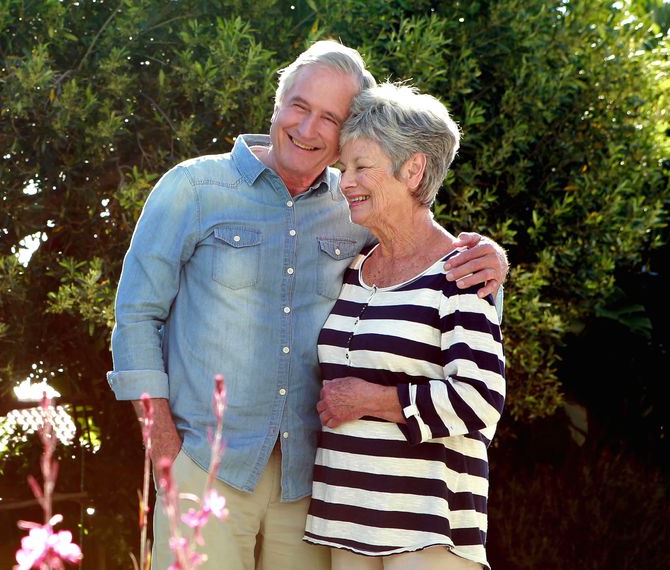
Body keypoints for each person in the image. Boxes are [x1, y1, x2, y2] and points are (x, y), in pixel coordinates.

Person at [107, 41, 507, 570]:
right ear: (276, 104)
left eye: (330, 117)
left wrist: (491, 263)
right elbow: (136, 316)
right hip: (205, 463)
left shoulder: (356, 201)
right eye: (298, 106)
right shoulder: (193, 188)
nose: (307, 128)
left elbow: (419, 261)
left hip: (314, 481)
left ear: (346, 134)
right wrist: (163, 446)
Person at [304, 83, 505, 570]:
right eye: (343, 167)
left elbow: (482, 401)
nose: (345, 181)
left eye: (361, 167)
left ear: (413, 170)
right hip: (344, 524)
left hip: (427, 534)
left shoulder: (459, 273)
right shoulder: (353, 269)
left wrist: (372, 399)